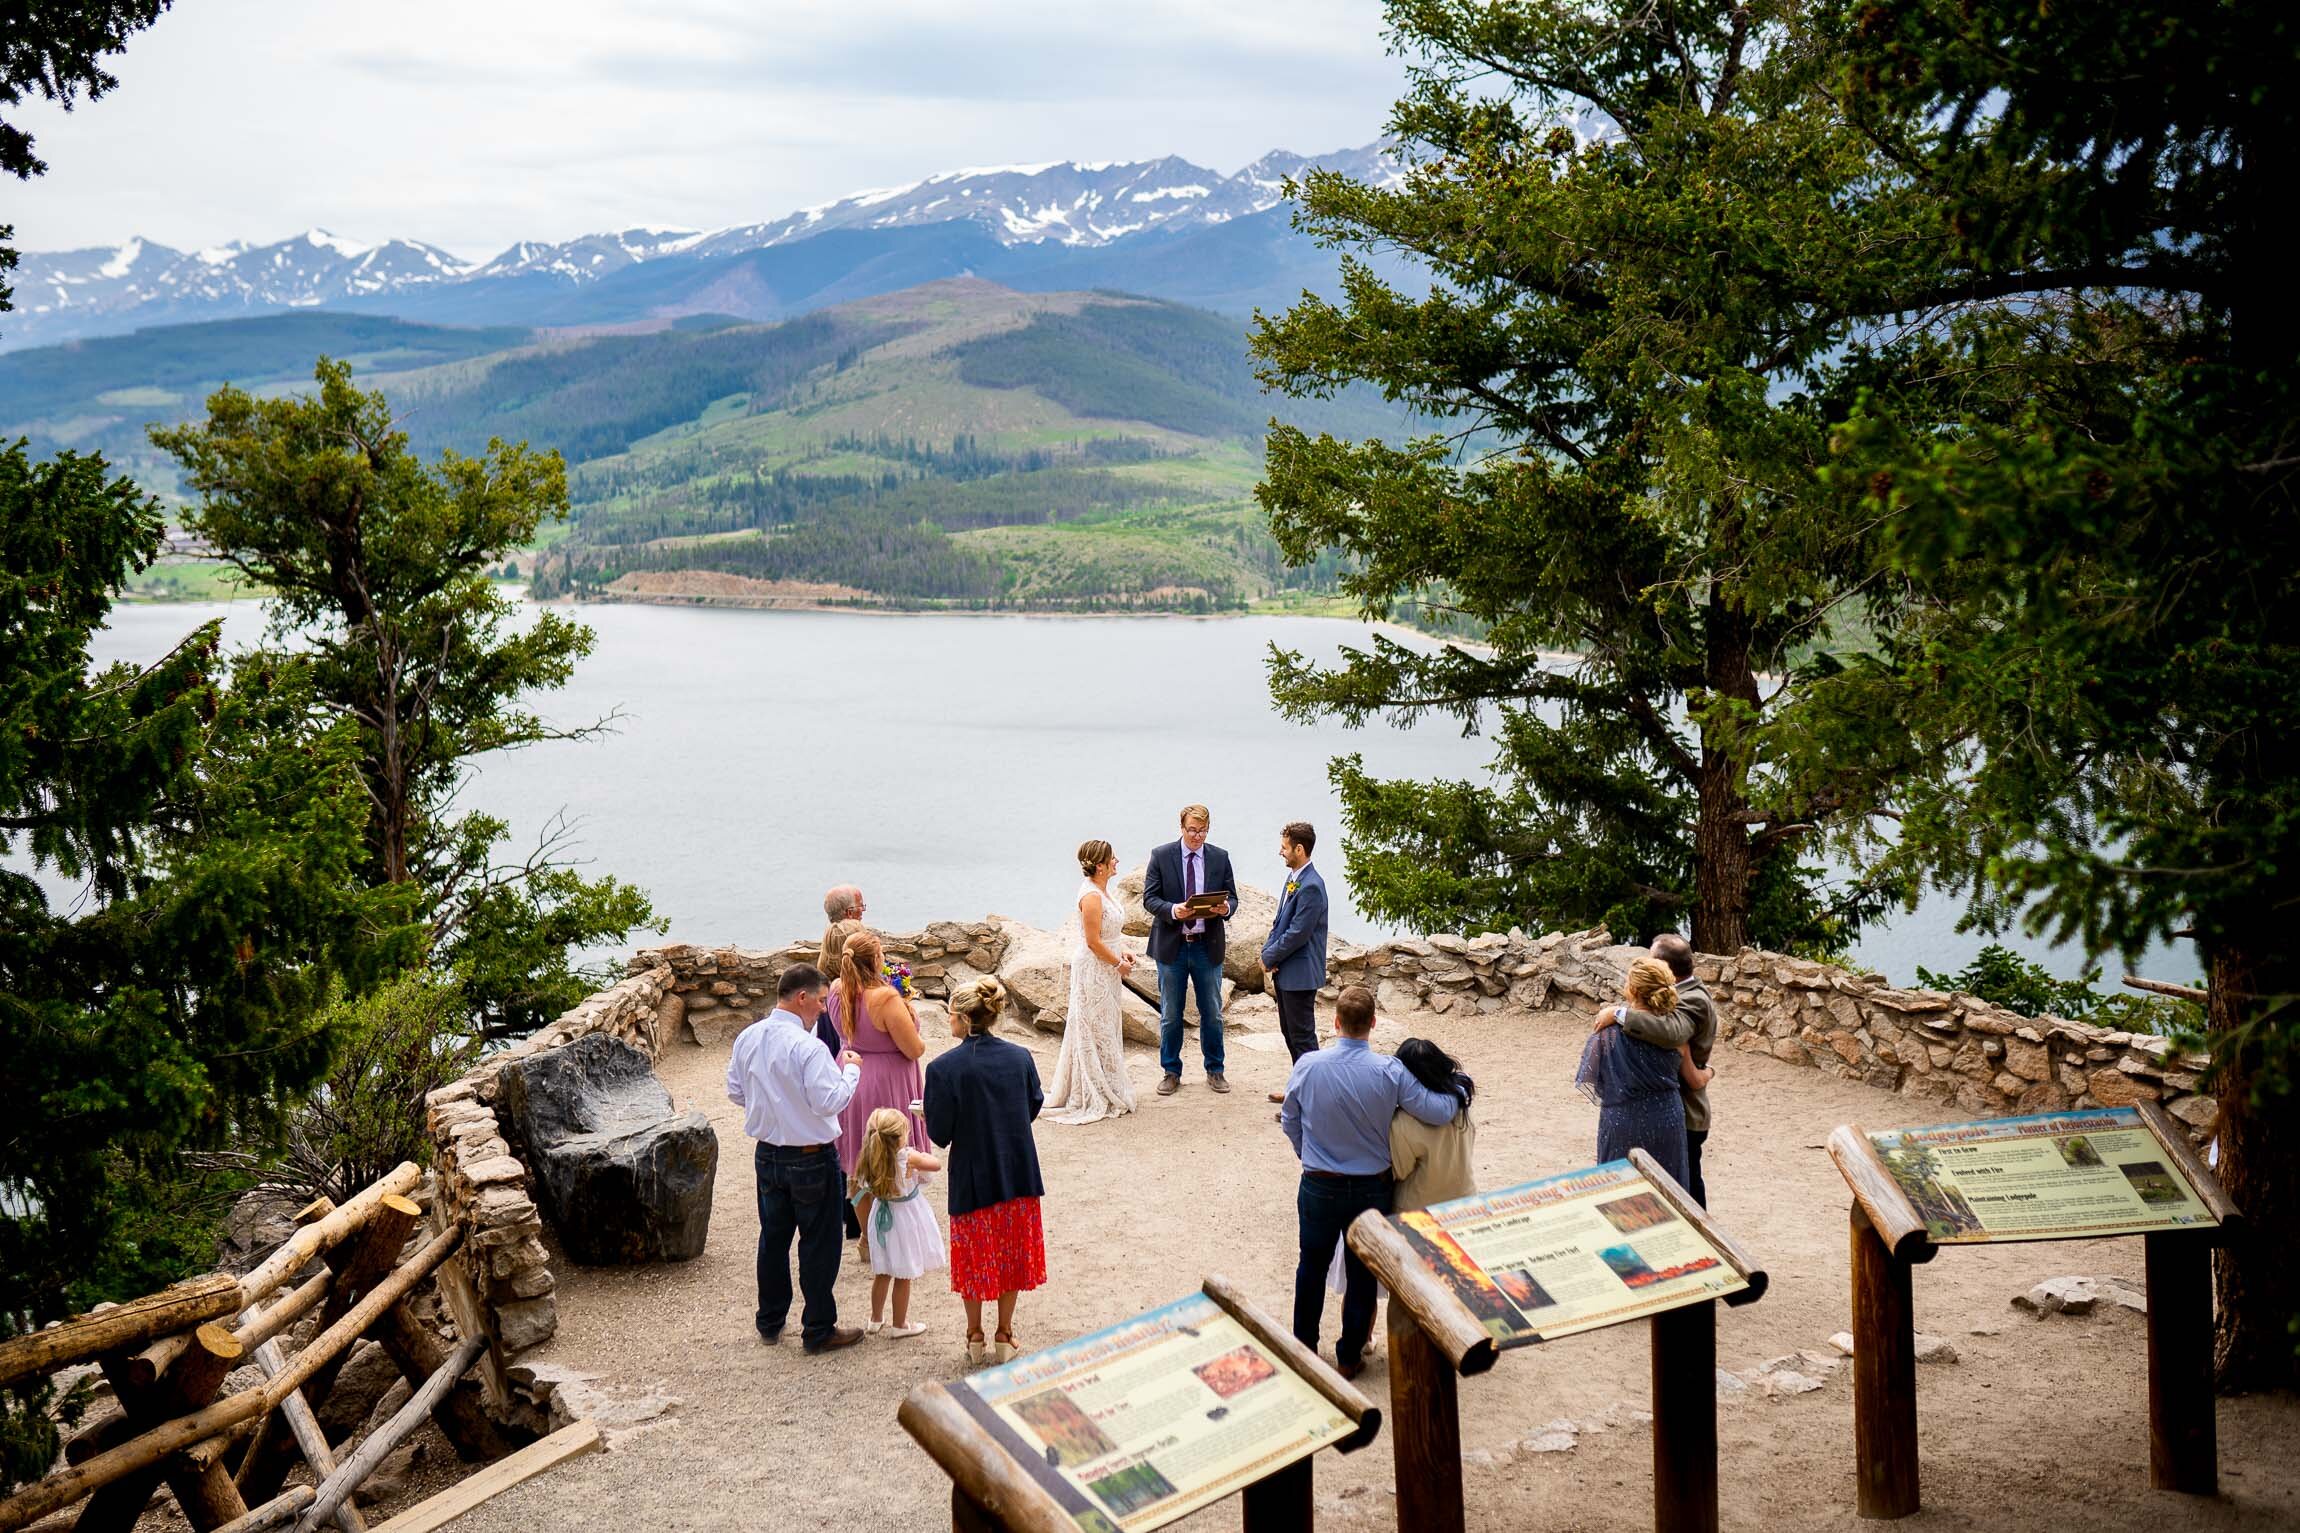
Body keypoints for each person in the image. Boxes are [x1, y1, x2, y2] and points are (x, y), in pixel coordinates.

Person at [1280, 984, 1462, 1379]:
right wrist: (1460, 1088)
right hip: (1370, 1188)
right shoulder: (1389, 1071)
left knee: (1310, 1267)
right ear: (1373, 1024)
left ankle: (1304, 1350)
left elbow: (1290, 1119)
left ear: (1336, 1022)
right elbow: (1436, 1111)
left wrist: (1305, 1154)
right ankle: (1348, 1356)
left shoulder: (1308, 1065)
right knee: (1363, 1271)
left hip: (1318, 1183)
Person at [725, 964, 865, 1353]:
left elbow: (736, 1091)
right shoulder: (809, 1047)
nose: (824, 1009)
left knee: (773, 1238)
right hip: (810, 1157)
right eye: (821, 1001)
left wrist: (771, 1106)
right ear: (801, 997)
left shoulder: (747, 1037)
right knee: (819, 1243)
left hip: (767, 1154)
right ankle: (818, 1327)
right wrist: (851, 1072)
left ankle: (769, 1320)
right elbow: (829, 1102)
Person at [924, 977, 1047, 1366]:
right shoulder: (1021, 1057)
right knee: (1012, 1255)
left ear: (961, 1018)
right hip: (1016, 1167)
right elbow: (1033, 1104)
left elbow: (940, 1134)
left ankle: (974, 1333)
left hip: (972, 1172)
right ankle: (1005, 1333)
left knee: (974, 1256)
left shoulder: (943, 1068)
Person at [1579, 957, 1711, 1189]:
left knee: (1617, 1189)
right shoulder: (1676, 1038)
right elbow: (1693, 1079)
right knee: (1667, 1190)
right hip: (1665, 1119)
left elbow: (1596, 1081)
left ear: (1633, 990)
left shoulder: (1606, 1034)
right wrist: (1710, 1072)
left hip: (1621, 1119)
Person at [1611, 934, 1721, 1205]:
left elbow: (1673, 1034)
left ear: (1664, 967)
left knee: (1688, 1189)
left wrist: (1618, 1014)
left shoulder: (1693, 1000)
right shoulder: (1680, 994)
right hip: (1665, 1108)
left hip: (1684, 1112)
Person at [1142, 804, 1238, 1096]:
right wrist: (1174, 910)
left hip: (1206, 948)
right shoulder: (1161, 856)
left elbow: (1233, 897)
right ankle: (1171, 1071)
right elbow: (1149, 899)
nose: (1197, 836)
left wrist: (1225, 908)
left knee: (1213, 1013)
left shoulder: (1220, 857)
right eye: (1192, 830)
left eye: (1203, 831)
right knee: (1171, 1014)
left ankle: (1215, 1070)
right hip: (1172, 948)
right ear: (1181, 828)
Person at [1045, 839, 1138, 1125]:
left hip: (1105, 967)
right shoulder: (1091, 897)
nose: (1117, 861)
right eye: (1112, 858)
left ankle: (1108, 1081)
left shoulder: (1102, 891)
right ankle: (1093, 1090)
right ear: (1100, 866)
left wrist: (1121, 949)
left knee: (1105, 1025)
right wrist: (1118, 964)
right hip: (1093, 971)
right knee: (1092, 1026)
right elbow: (1093, 942)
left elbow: (1107, 935)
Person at [832, 929, 932, 1173]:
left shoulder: (836, 989)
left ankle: (862, 1212)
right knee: (891, 1163)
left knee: (859, 1164)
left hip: (850, 1073)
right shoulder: (885, 998)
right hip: (886, 1083)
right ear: (876, 960)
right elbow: (913, 1049)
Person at [849, 1106, 946, 1339]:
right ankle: (900, 1324)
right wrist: (918, 1157)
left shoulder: (868, 1159)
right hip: (905, 1218)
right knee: (903, 1274)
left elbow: (857, 1191)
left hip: (881, 1216)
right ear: (899, 1137)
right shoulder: (907, 1157)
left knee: (882, 1272)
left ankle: (875, 1318)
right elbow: (936, 1164)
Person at [1261, 821, 1330, 1102]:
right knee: (1289, 1033)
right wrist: (1268, 950)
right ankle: (1298, 1090)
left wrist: (1268, 956)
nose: (1281, 852)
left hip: (1300, 974)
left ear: (1299, 849)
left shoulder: (1312, 886)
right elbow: (1280, 924)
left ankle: (1312, 1099)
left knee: (1302, 1038)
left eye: (1285, 848)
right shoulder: (1295, 878)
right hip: (1287, 971)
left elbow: (1297, 933)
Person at [1390, 1038, 1478, 1212]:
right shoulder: (1461, 1104)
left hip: (1419, 1210)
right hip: (1465, 1201)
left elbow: (1399, 1171)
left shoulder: (1404, 1121)